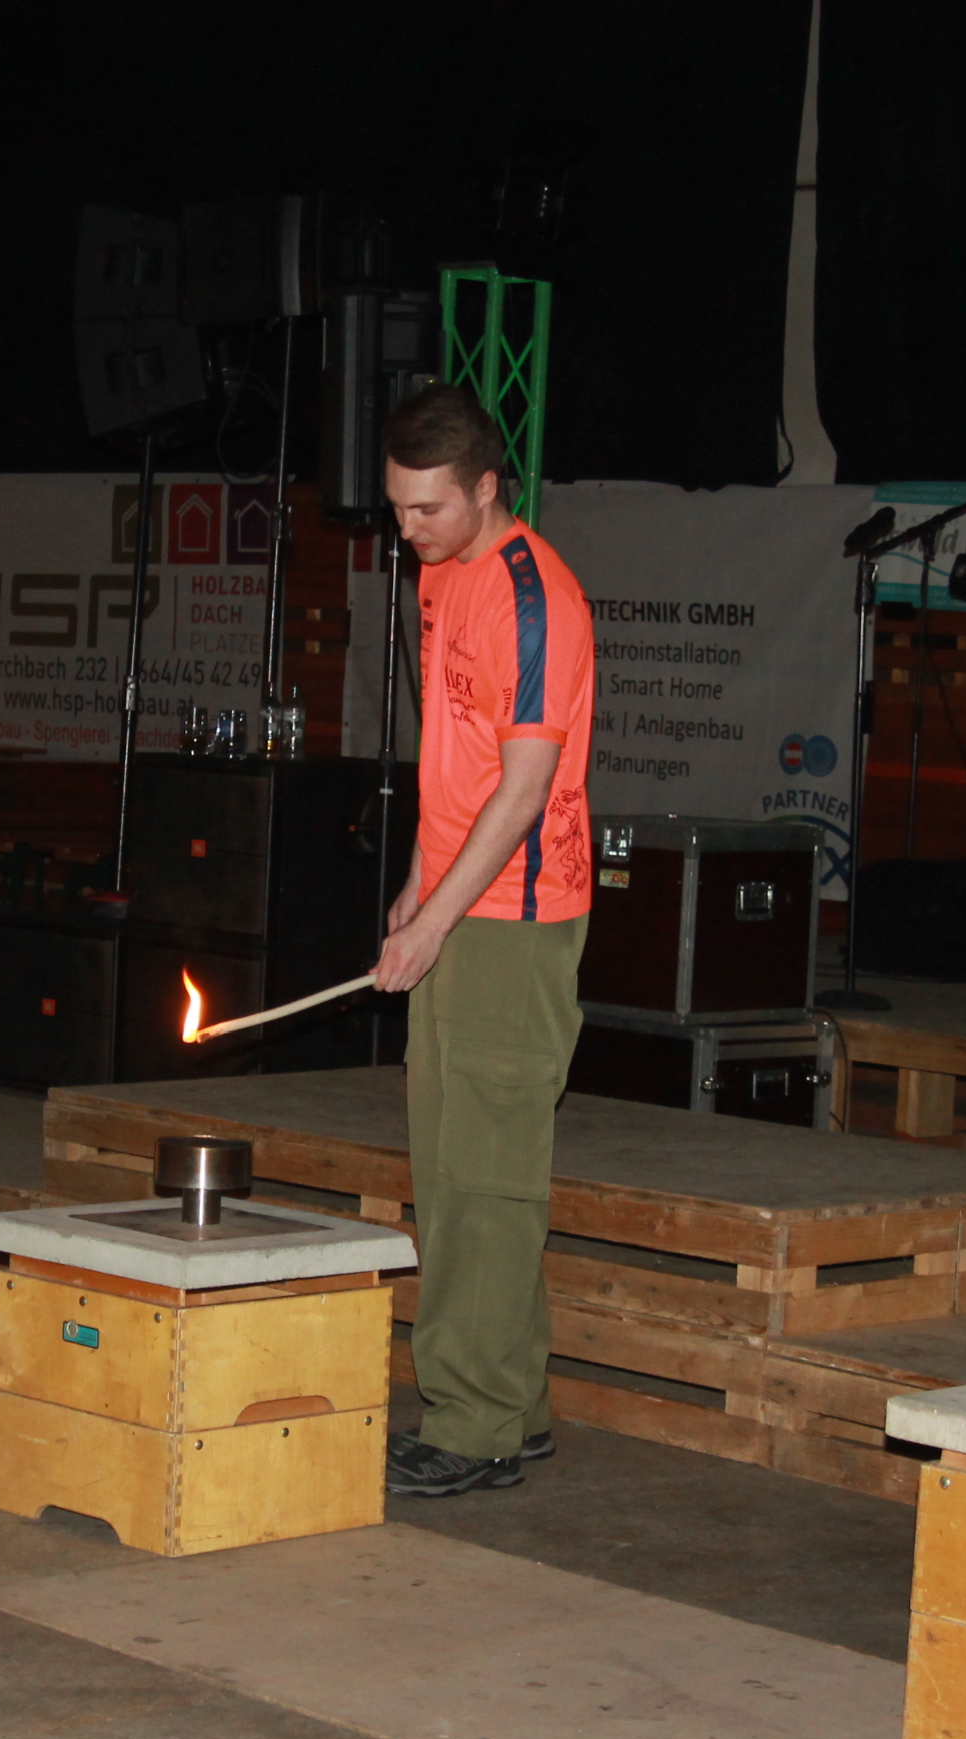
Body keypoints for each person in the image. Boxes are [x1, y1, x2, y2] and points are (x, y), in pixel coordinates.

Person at [368, 384, 597, 1498]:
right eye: (396, 508)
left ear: (487, 488)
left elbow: (523, 786)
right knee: (452, 1173)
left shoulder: (533, 596)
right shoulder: (438, 573)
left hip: (516, 919)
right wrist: (418, 884)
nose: (408, 529)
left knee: (488, 1182)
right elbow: (451, 758)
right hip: (460, 902)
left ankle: (474, 1426)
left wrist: (439, 919)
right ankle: (517, 1404)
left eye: (428, 509)